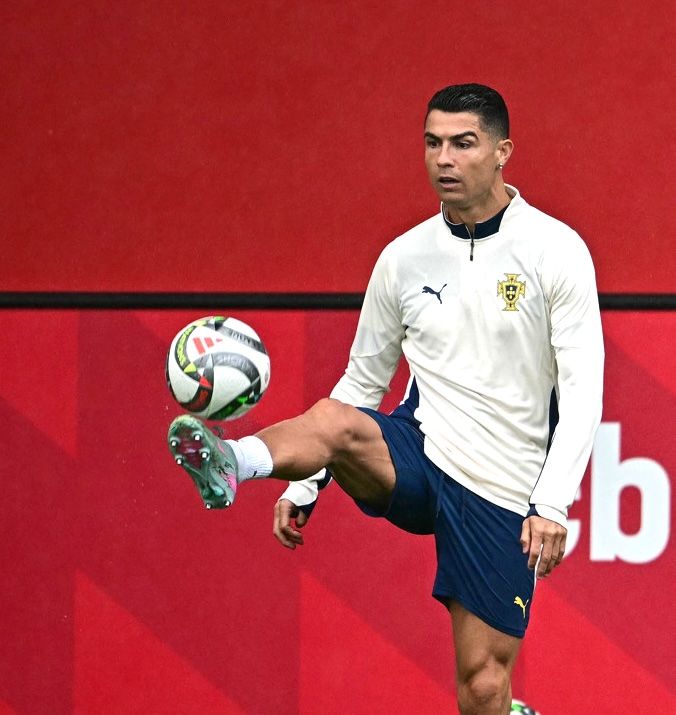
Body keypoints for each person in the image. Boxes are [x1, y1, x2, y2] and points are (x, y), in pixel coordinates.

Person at [168, 83, 604, 715]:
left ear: (503, 151)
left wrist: (553, 503)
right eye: (432, 143)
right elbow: (362, 382)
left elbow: (584, 389)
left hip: (505, 485)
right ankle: (231, 462)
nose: (444, 159)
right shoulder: (403, 258)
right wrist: (304, 485)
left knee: (483, 687)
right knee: (336, 420)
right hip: (419, 453)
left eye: (463, 144)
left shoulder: (556, 250)